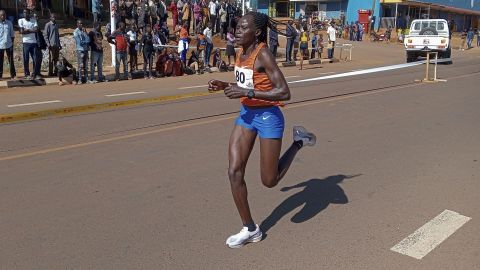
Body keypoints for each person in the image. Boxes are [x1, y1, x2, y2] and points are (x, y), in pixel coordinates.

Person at [207, 12, 316, 249]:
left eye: (242, 28)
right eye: (236, 27)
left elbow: (284, 92)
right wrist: (226, 86)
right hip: (247, 115)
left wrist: (246, 93)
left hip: (268, 117)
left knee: (269, 180)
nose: (237, 31)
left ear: (256, 33)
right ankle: (250, 229)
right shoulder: (241, 52)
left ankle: (298, 141)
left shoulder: (263, 53)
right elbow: (248, 84)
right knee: (234, 172)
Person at [18, 9, 40, 80]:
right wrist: (31, 30)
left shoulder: (33, 20)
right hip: (26, 43)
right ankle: (27, 74)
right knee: (26, 59)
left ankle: (34, 74)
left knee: (35, 59)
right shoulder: (21, 20)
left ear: (29, 13)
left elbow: (36, 30)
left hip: (34, 42)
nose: (25, 14)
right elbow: (21, 31)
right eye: (24, 13)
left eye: (27, 13)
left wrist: (27, 30)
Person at [0, 10, 16, 80]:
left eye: (4, 15)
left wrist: (12, 44)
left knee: (11, 61)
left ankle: (13, 75)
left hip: (9, 45)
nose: (3, 16)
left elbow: (12, 35)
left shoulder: (9, 23)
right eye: (1, 15)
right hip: (0, 45)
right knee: (0, 61)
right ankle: (0, 76)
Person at [73, 19, 90, 84]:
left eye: (82, 23)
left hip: (85, 50)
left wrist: (85, 33)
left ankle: (86, 79)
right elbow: (79, 42)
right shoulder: (75, 32)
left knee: (86, 65)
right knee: (80, 66)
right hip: (80, 50)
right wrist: (85, 42)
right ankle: (80, 79)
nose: (81, 25)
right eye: (80, 23)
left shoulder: (83, 31)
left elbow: (88, 40)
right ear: (77, 24)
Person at [44, 13, 61, 77]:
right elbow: (45, 35)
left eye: (55, 17)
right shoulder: (48, 25)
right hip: (51, 45)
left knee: (56, 59)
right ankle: (50, 73)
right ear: (50, 18)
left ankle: (56, 72)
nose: (54, 18)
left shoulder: (56, 25)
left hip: (56, 45)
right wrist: (48, 44)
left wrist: (59, 44)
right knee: (51, 59)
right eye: (53, 17)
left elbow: (57, 35)